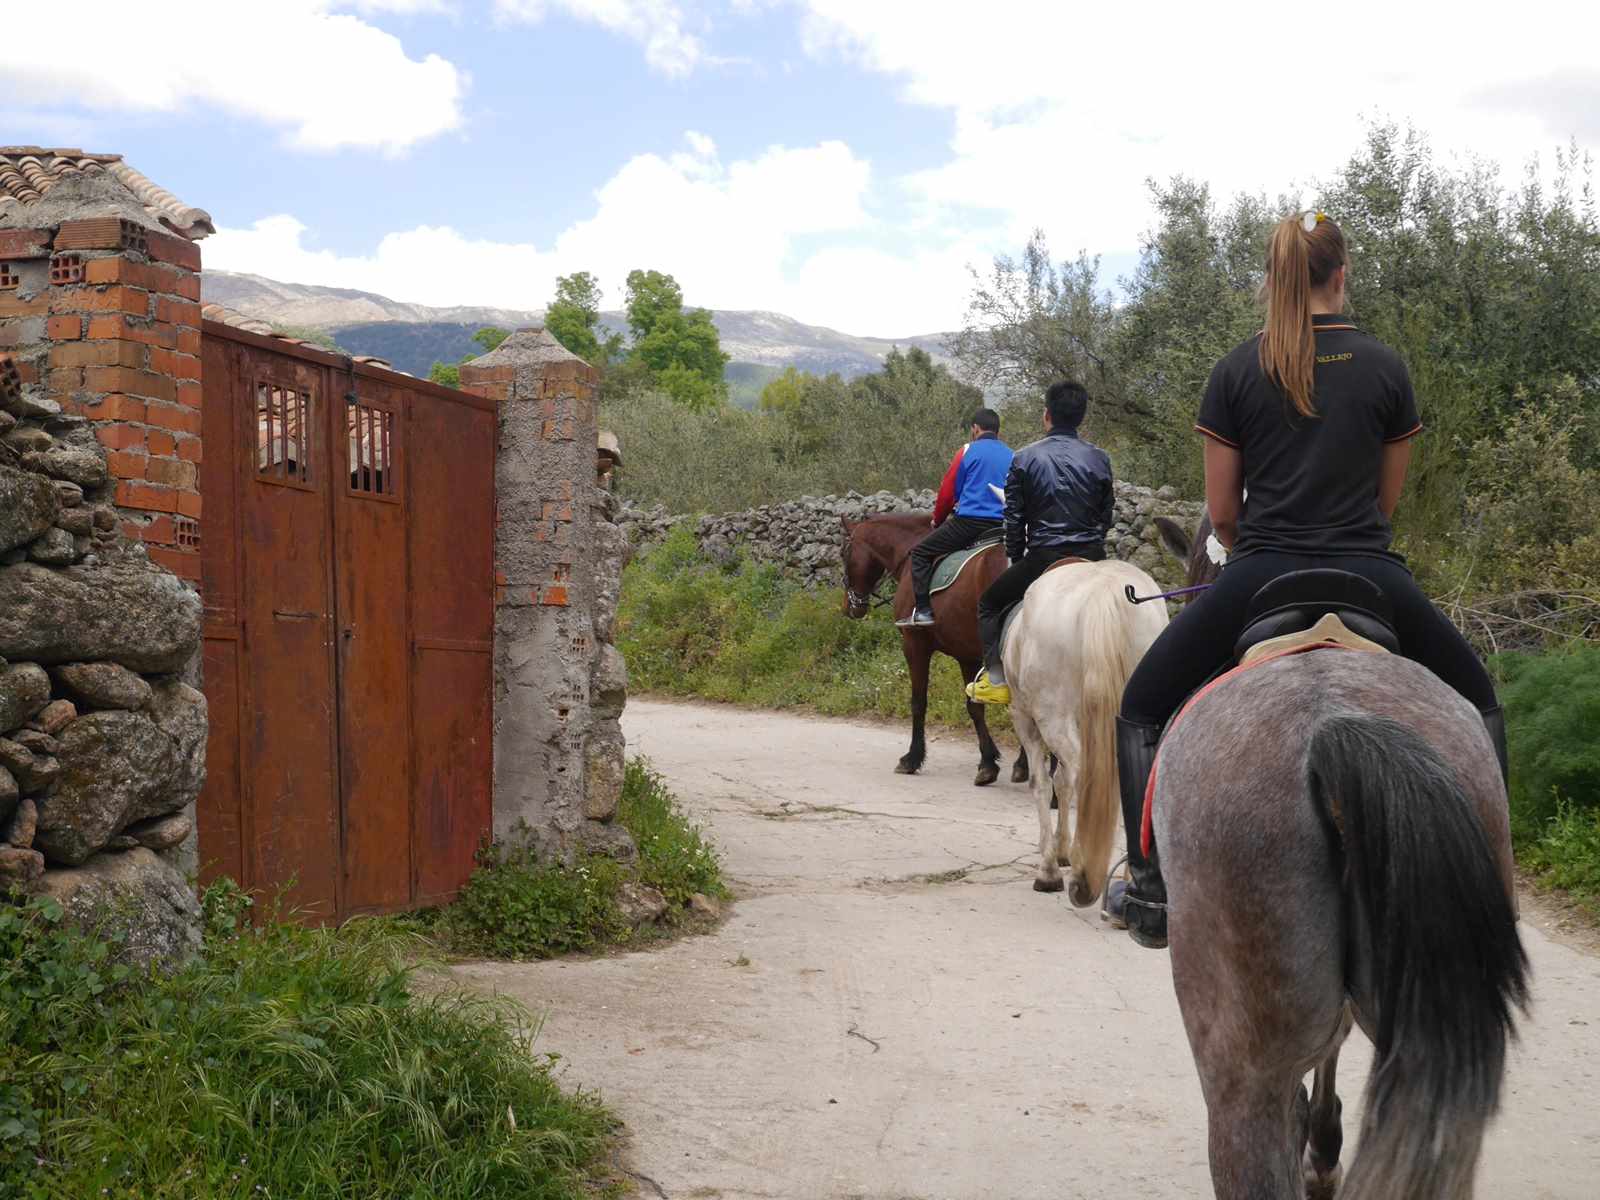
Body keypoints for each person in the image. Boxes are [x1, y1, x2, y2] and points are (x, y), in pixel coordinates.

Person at [1108, 211, 1507, 950]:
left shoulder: (1236, 370)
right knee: (1480, 702)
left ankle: (1149, 886)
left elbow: (1223, 514)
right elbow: (1385, 504)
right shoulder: (1386, 368)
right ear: (1341, 273)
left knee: (1138, 709)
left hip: (1260, 573)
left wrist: (1248, 542)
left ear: (1276, 277)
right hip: (1370, 574)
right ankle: (1494, 884)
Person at [966, 380, 1114, 704]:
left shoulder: (1024, 458)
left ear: (1047, 415)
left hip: (1045, 556)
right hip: (1091, 557)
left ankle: (995, 680)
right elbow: (1106, 516)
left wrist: (1018, 560)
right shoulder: (1100, 458)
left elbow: (1015, 519)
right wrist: (1093, 547)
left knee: (989, 604)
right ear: (1081, 418)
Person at [898, 408, 1014, 627]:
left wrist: (938, 520)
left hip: (969, 524)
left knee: (921, 553)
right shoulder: (1012, 454)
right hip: (1003, 526)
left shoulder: (968, 450)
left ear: (975, 429)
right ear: (998, 430)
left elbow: (948, 493)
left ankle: (923, 611)